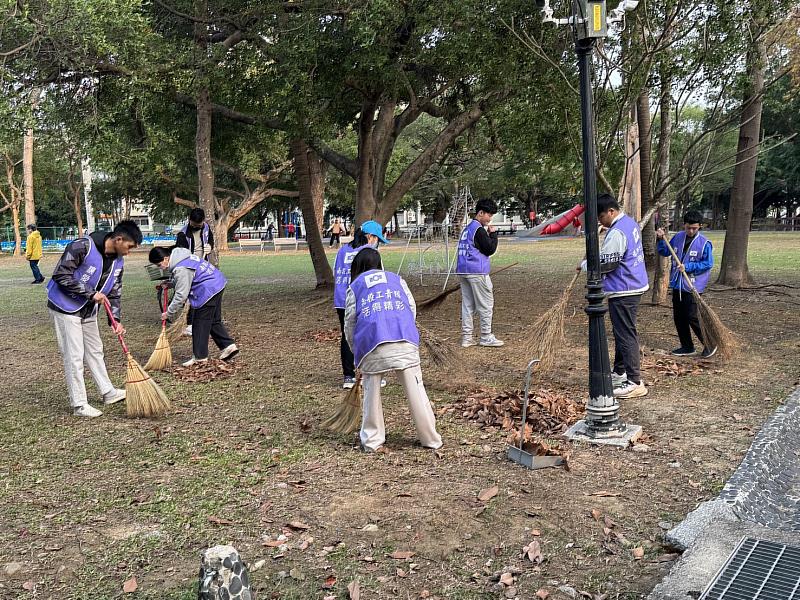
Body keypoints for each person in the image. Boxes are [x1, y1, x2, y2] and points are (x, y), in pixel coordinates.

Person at [344, 248, 442, 453]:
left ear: (357, 267)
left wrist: (357, 354)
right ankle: (430, 438)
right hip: (404, 339)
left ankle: (372, 440)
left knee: (372, 392)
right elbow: (411, 309)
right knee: (416, 390)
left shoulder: (355, 286)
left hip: (372, 345)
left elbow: (350, 324)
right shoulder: (397, 280)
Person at [46, 221, 143, 417]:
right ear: (118, 239)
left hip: (88, 310)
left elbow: (115, 292)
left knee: (95, 350)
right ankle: (79, 404)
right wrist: (90, 294)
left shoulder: (118, 261)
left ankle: (108, 392)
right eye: (129, 247)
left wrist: (115, 319)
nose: (129, 252)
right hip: (65, 307)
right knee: (74, 355)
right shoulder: (82, 246)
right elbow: (61, 274)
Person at [580, 194, 649, 399]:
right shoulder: (629, 223)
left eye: (601, 217)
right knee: (622, 331)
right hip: (633, 284)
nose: (600, 222)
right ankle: (620, 371)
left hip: (624, 288)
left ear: (611, 211)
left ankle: (635, 381)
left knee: (625, 334)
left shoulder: (618, 232)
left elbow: (609, 263)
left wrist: (585, 265)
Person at [149, 246, 238, 367]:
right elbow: (187, 278)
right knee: (213, 320)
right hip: (217, 282)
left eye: (159, 265)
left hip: (208, 289)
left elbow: (181, 295)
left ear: (166, 258)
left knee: (199, 323)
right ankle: (228, 346)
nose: (161, 268)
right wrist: (170, 284)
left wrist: (168, 313)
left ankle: (200, 357)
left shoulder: (180, 268)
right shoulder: (182, 257)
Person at [333, 221, 387, 389]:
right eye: (376, 238)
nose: (377, 242)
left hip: (342, 300)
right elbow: (378, 277)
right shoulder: (370, 252)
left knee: (347, 336)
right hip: (363, 299)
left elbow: (336, 272)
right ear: (369, 237)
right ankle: (370, 374)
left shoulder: (343, 250)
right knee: (369, 335)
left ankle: (348, 376)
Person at [657, 210, 716, 358]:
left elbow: (708, 264)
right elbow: (665, 252)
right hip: (678, 284)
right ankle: (687, 346)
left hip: (692, 285)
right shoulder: (678, 237)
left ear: (700, 227)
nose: (690, 231)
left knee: (692, 316)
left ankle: (710, 343)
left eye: (694, 228)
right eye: (688, 227)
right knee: (679, 316)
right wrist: (660, 239)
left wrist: (688, 267)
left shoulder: (704, 244)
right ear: (684, 225)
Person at [456, 198, 503, 348]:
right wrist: (494, 235)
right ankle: (486, 336)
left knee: (468, 305)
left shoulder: (467, 228)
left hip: (463, 270)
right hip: (477, 271)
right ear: (480, 213)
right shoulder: (479, 230)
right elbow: (489, 249)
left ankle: (467, 338)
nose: (490, 219)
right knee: (485, 304)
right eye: (489, 215)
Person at [174, 208, 215, 337]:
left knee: (203, 292)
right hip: (189, 267)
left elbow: (210, 240)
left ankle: (205, 321)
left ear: (203, 221)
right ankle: (190, 324)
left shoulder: (206, 228)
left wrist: (210, 247)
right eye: (194, 225)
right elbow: (181, 254)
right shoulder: (183, 234)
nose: (197, 227)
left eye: (199, 225)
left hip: (203, 265)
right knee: (192, 295)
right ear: (189, 220)